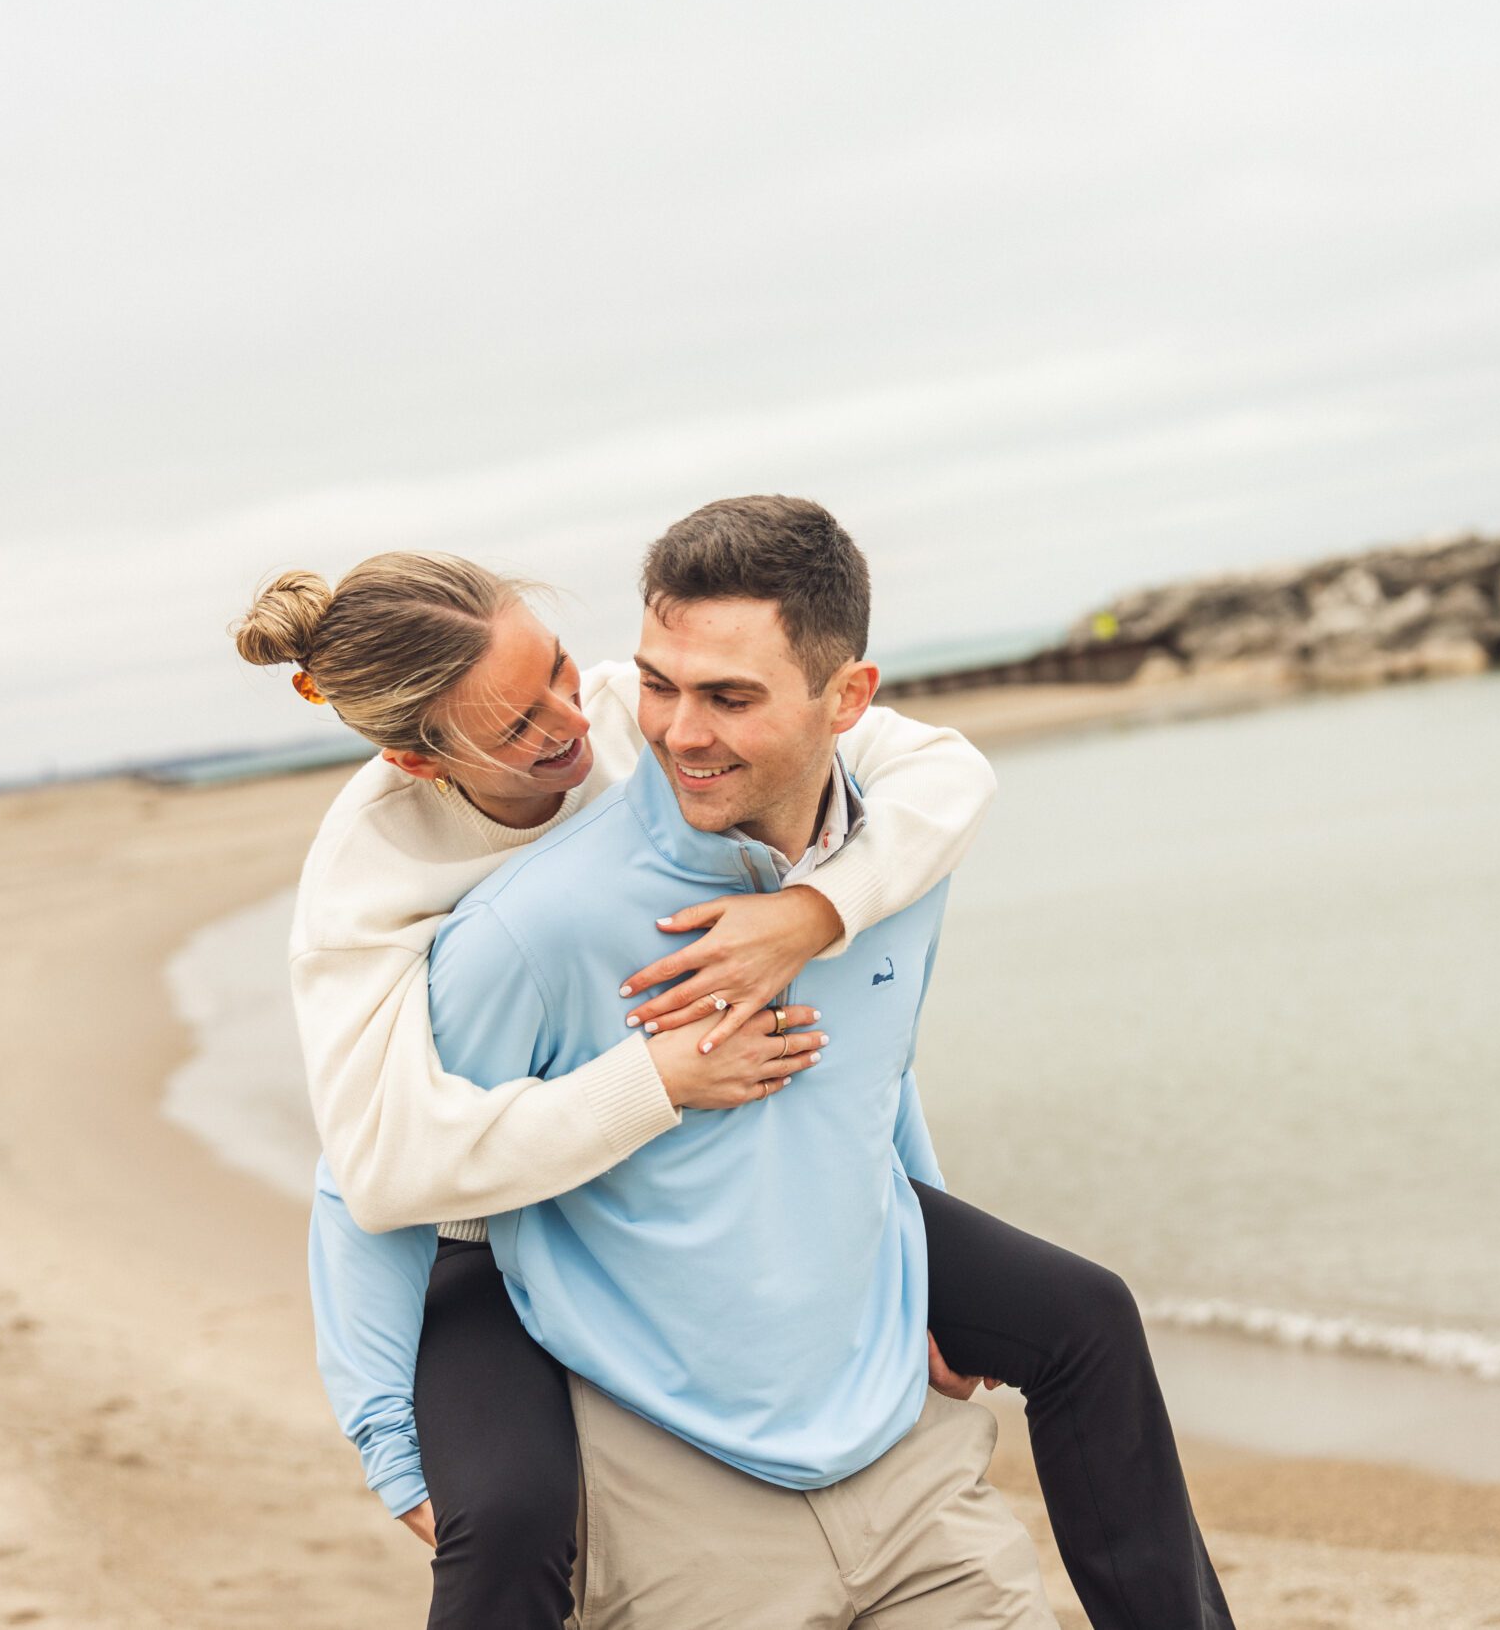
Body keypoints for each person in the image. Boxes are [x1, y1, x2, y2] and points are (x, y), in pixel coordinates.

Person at [238, 531, 1233, 1629]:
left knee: (1086, 1316)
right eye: (519, 727)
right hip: (477, 1222)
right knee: (508, 1520)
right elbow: (372, 1176)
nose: (576, 724)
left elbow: (935, 813)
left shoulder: (640, 714)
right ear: (422, 764)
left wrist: (814, 914)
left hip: (686, 1146)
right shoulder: (373, 881)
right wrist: (652, 1080)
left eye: (561, 671)